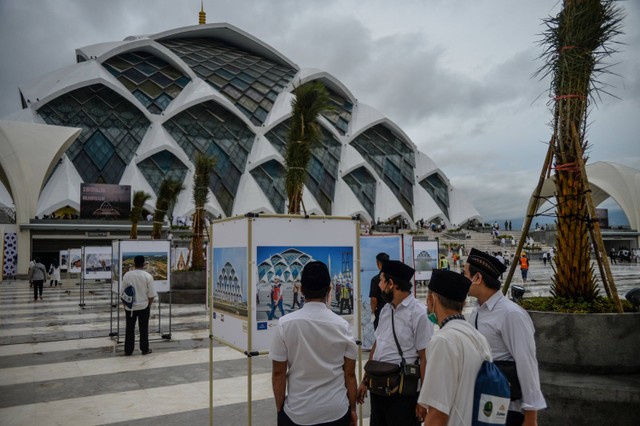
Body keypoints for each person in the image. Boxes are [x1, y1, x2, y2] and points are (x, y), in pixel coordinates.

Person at [270, 261, 358, 426]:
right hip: (336, 411)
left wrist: (280, 409)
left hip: (298, 412)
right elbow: (350, 374)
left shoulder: (284, 324)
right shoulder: (343, 326)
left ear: (302, 290)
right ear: (329, 289)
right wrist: (352, 410)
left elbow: (278, 373)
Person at [465, 248, 546, 425]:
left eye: (465, 274)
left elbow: (527, 362)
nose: (462, 280)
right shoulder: (477, 312)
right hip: (483, 400)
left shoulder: (511, 314)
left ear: (477, 278)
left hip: (508, 406)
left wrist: (531, 415)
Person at [357, 260, 433, 425]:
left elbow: (425, 357)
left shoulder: (418, 313)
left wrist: (423, 400)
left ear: (392, 284)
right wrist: (365, 380)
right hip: (378, 387)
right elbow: (378, 345)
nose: (380, 284)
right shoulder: (385, 310)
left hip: (402, 391)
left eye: (383, 280)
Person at [417, 269, 493, 425]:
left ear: (432, 299)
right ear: (463, 304)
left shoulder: (443, 341)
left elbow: (437, 414)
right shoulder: (478, 337)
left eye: (427, 299)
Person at [120, 255, 157, 356]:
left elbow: (122, 293)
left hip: (130, 307)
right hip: (144, 306)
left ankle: (128, 350)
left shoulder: (127, 275)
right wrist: (148, 305)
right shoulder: (148, 276)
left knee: (129, 328)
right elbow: (151, 294)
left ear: (134, 263)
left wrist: (125, 305)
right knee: (144, 329)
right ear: (144, 264)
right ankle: (144, 349)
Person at [369, 253, 390, 330]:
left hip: (381, 313)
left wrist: (373, 312)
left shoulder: (375, 280)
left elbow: (373, 299)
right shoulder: (395, 278)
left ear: (378, 264)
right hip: (394, 313)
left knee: (380, 338)